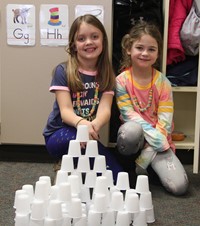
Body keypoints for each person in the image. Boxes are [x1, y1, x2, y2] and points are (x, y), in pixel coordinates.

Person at [43, 14, 123, 182]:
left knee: (115, 175)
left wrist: (95, 124)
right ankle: (66, 164)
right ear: (73, 45)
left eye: (94, 37)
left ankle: (72, 164)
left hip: (88, 135)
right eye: (81, 38)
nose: (88, 42)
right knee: (92, 155)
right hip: (58, 134)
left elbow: (105, 110)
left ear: (103, 40)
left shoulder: (107, 74)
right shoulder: (62, 71)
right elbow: (65, 111)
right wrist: (82, 124)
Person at [115, 21, 189, 195]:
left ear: (158, 53)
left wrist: (147, 154)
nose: (145, 53)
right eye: (139, 48)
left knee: (179, 187)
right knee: (130, 130)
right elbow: (128, 114)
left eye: (151, 49)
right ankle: (129, 168)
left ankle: (143, 165)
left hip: (158, 140)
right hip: (140, 137)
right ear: (128, 49)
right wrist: (154, 139)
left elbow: (165, 121)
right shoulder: (121, 81)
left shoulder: (164, 83)